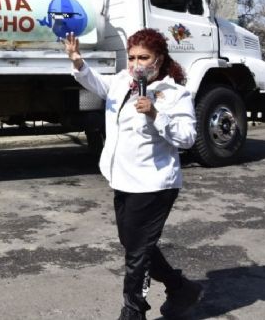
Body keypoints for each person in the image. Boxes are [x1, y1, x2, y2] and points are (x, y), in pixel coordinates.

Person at [64, 28, 203, 320]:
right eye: (132, 57)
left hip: (154, 184)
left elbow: (188, 138)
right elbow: (98, 84)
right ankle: (180, 288)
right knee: (135, 245)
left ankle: (133, 310)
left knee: (137, 254)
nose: (137, 64)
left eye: (144, 57)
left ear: (159, 59)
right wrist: (77, 60)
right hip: (123, 179)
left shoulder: (175, 94)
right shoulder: (122, 83)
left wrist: (155, 113)